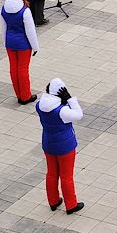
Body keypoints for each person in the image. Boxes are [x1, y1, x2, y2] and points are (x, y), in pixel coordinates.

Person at [38, 78, 84, 214]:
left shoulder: (40, 105)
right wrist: (70, 99)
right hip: (65, 146)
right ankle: (71, 205)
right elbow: (79, 115)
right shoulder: (62, 111)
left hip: (48, 142)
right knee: (66, 176)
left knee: (51, 173)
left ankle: (53, 201)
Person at [1, 0, 39, 104]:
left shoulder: (3, 8)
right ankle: (26, 96)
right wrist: (35, 46)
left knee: (13, 68)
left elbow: (3, 28)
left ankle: (19, 95)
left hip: (10, 42)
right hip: (23, 44)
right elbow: (30, 31)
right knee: (23, 69)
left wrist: (5, 43)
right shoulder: (25, 10)